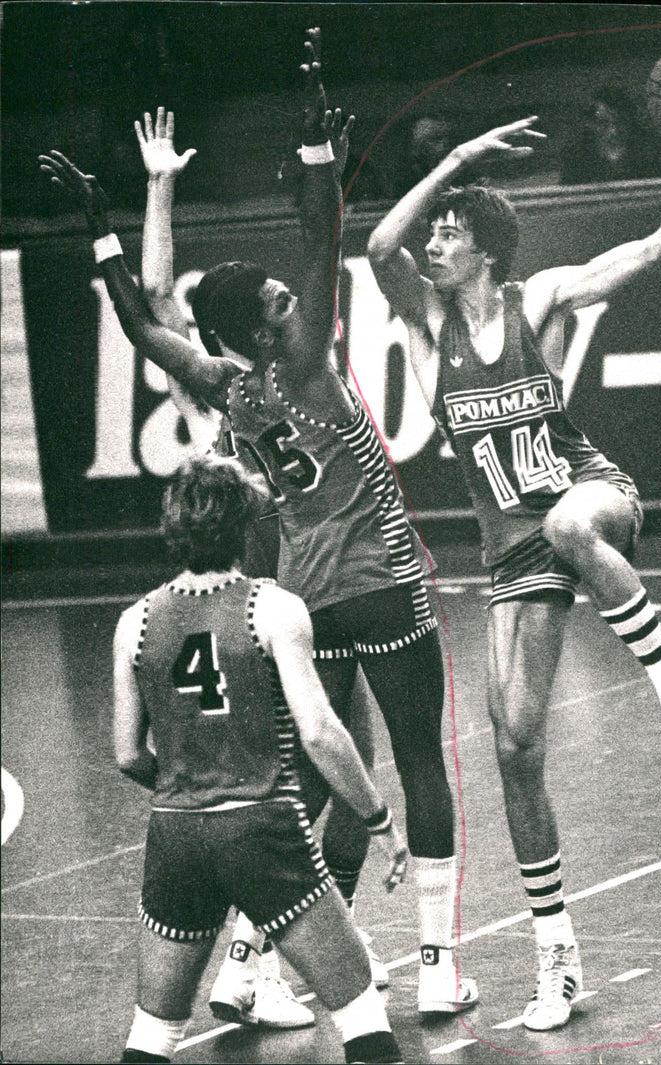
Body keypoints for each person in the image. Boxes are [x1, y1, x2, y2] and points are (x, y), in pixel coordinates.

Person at [39, 28, 477, 1017]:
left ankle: (251, 968)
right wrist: (318, 150)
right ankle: (440, 965)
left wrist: (100, 222)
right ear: (266, 328)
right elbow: (322, 237)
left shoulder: (225, 389)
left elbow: (140, 324)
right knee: (416, 767)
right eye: (279, 302)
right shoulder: (310, 362)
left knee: (322, 781)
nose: (291, 299)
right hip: (382, 582)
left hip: (308, 603)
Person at [366, 68, 661, 1031]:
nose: (433, 241)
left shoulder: (539, 301)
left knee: (571, 522)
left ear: (485, 251)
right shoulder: (427, 329)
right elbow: (377, 244)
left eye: (450, 231)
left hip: (594, 498)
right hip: (514, 554)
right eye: (436, 232)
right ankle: (558, 956)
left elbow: (658, 245)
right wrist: (455, 158)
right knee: (514, 747)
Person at [134, 103, 381, 1028]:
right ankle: (277, 963)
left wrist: (161, 187)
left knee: (293, 787)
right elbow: (163, 303)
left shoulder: (219, 384)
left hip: (260, 610)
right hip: (269, 612)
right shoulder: (236, 385)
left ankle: (250, 966)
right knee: (332, 782)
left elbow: (155, 299)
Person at [111, 453, 407, 1065]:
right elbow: (322, 733)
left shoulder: (133, 623)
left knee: (153, 1035)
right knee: (361, 1016)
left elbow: (126, 754)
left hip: (176, 838)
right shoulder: (273, 609)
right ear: (249, 526)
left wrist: (187, 788)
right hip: (266, 834)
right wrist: (378, 820)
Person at [560, 80, 661, 185]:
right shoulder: (577, 157)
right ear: (590, 123)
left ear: (630, 121)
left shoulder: (649, 152)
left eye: (620, 123)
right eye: (603, 123)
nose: (614, 131)